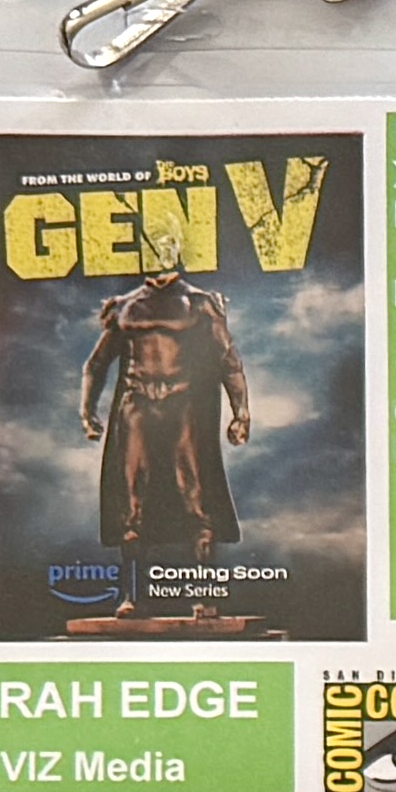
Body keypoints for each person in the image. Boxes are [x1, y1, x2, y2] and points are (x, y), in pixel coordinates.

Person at [80, 207, 248, 563]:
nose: (160, 249)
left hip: (183, 403)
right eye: (152, 242)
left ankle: (203, 583)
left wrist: (241, 413)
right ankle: (133, 583)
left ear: (178, 247)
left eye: (167, 241)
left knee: (194, 493)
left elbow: (228, 360)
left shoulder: (200, 303)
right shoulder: (124, 307)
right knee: (131, 497)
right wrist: (87, 411)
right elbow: (96, 364)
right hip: (136, 403)